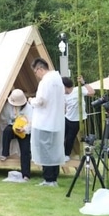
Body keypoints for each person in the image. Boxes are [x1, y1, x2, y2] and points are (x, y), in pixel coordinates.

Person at [30, 57, 65, 187]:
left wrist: (31, 101)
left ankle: (48, 178)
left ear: (40, 69)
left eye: (35, 72)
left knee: (45, 151)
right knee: (53, 151)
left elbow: (41, 101)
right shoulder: (58, 79)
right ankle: (53, 178)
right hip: (56, 121)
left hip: (44, 121)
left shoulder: (46, 81)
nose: (37, 75)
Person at [0, 89, 33, 181]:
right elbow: (3, 120)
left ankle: (26, 174)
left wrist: (24, 129)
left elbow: (31, 122)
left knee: (25, 150)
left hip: (24, 131)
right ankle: (5, 153)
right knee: (7, 131)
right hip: (12, 128)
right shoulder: (8, 106)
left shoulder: (29, 108)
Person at [63, 75, 95, 161]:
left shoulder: (78, 90)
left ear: (65, 86)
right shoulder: (63, 95)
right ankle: (60, 154)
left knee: (70, 137)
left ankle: (66, 154)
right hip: (67, 117)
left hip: (78, 119)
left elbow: (92, 92)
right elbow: (64, 107)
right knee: (61, 136)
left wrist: (83, 82)